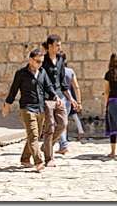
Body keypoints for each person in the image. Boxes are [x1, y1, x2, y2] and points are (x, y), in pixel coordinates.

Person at [2, 49, 62, 172]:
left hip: (40, 109)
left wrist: (55, 96)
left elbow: (48, 86)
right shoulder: (21, 74)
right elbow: (13, 90)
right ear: (30, 60)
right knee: (34, 136)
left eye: (42, 62)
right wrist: (7, 106)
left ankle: (25, 158)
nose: (40, 64)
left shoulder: (42, 72)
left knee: (33, 135)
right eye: (38, 61)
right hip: (27, 109)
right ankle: (38, 162)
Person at [41, 35, 77, 166]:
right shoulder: (43, 62)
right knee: (49, 127)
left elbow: (62, 82)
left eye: (60, 45)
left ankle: (46, 146)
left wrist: (71, 99)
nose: (59, 47)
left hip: (59, 97)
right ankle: (49, 158)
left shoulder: (60, 60)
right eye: (57, 45)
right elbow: (42, 82)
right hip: (47, 98)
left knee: (62, 124)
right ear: (49, 46)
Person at [57, 51, 84, 153]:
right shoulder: (70, 72)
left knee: (60, 123)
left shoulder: (55, 72)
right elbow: (76, 87)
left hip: (58, 100)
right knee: (63, 122)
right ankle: (62, 145)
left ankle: (63, 144)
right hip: (69, 100)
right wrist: (78, 101)